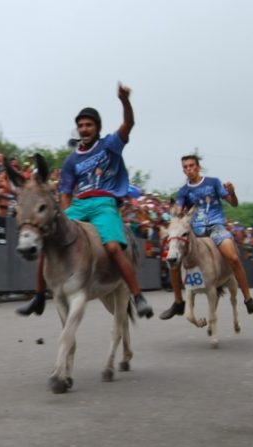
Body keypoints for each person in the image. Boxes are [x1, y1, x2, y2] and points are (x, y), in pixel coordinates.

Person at [17, 82, 154, 318]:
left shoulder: (109, 145)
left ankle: (137, 294)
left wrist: (125, 101)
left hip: (104, 203)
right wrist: (67, 218)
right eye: (80, 125)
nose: (84, 129)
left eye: (88, 125)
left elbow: (129, 124)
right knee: (48, 240)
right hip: (79, 205)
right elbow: (67, 192)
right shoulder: (71, 161)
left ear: (97, 128)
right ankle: (39, 296)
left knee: (112, 246)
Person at [160, 154, 253, 319]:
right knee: (172, 258)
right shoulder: (183, 191)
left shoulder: (214, 182)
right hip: (196, 232)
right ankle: (178, 302)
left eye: (191, 166)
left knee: (233, 257)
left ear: (198, 167)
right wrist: (176, 211)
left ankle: (249, 300)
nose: (188, 169)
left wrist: (232, 192)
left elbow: (233, 203)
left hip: (216, 227)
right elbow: (179, 209)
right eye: (185, 167)